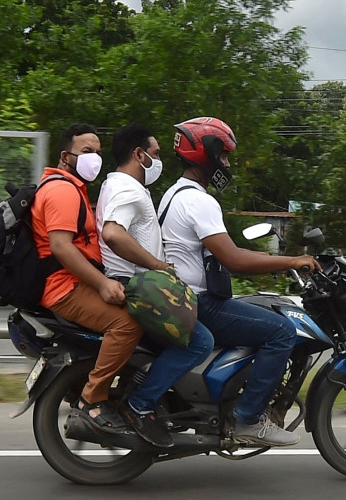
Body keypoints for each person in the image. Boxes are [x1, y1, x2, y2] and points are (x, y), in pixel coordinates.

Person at [158, 116, 322, 447]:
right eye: (223, 156)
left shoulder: (175, 194)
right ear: (206, 154)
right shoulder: (199, 201)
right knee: (281, 331)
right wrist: (292, 261)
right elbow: (232, 260)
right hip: (199, 303)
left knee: (261, 310)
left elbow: (227, 250)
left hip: (181, 297)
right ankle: (248, 419)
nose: (227, 164)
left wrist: (273, 264)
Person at [30, 123, 166, 447]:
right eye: (87, 152)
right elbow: (62, 247)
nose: (95, 159)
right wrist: (104, 283)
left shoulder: (72, 187)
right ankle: (92, 400)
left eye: (98, 153)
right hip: (64, 288)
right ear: (66, 156)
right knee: (128, 323)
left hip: (72, 282)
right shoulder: (62, 190)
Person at [96, 122, 214, 447]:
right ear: (139, 155)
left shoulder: (118, 186)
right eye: (156, 154)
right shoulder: (128, 190)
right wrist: (158, 265)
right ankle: (140, 404)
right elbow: (113, 233)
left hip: (133, 281)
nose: (159, 161)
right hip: (137, 285)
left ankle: (165, 399)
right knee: (200, 342)